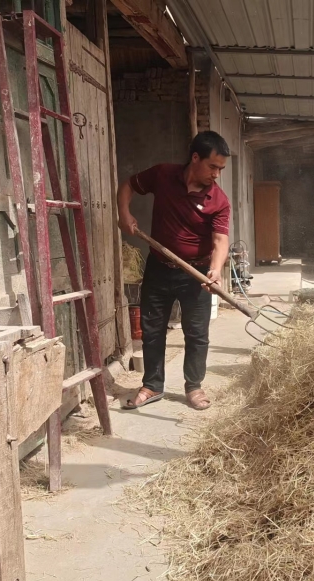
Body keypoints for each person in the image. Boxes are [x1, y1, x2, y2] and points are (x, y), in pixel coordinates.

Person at [117, 131, 230, 411]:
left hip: (197, 273)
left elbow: (220, 241)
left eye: (221, 169)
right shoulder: (163, 175)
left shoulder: (218, 200)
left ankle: (194, 386)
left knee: (196, 332)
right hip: (159, 267)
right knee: (152, 329)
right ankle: (152, 385)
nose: (216, 174)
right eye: (212, 166)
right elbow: (128, 186)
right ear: (195, 158)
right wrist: (124, 214)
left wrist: (215, 270)